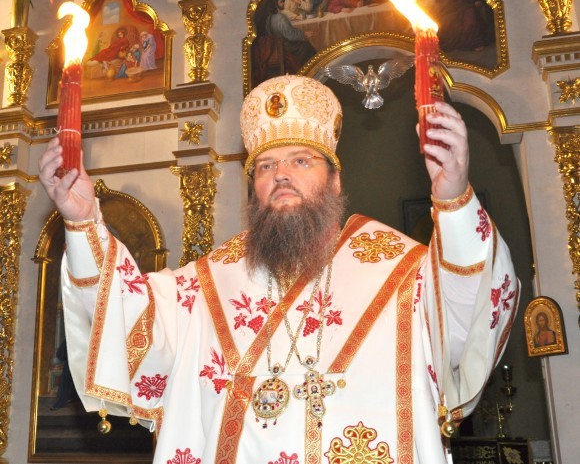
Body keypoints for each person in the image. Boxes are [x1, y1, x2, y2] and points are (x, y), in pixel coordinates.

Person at [39, 75, 519, 464]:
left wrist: (454, 199)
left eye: (301, 160)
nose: (281, 174)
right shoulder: (206, 285)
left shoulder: (400, 271)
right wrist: (83, 222)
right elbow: (129, 319)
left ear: (336, 181)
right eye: (265, 166)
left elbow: (469, 307)